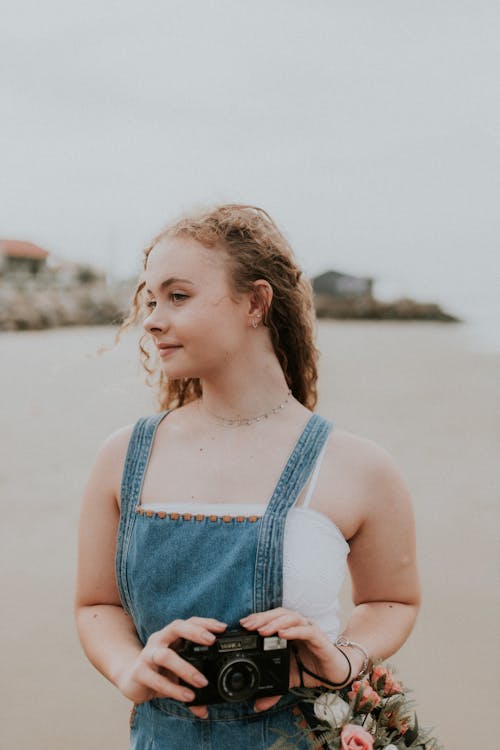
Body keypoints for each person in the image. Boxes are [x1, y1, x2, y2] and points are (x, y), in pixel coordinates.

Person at [75, 204, 420, 749]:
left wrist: (342, 661)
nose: (152, 319)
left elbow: (393, 602)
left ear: (256, 302)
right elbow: (97, 604)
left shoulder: (358, 466)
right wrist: (127, 668)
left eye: (178, 296)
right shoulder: (123, 457)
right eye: (150, 300)